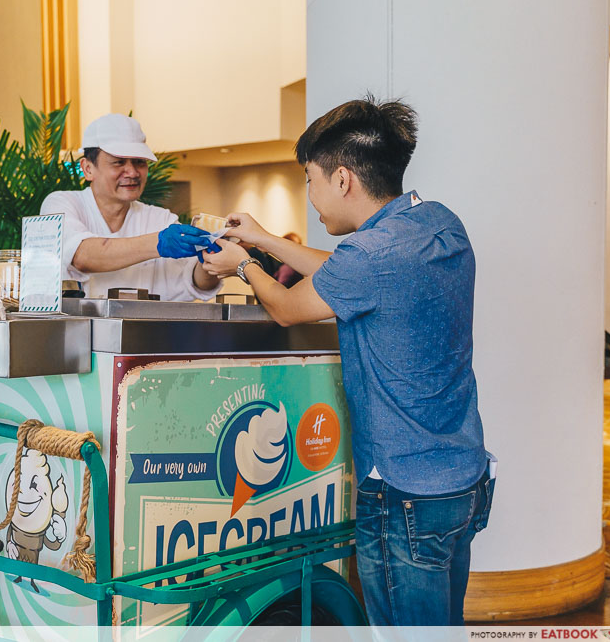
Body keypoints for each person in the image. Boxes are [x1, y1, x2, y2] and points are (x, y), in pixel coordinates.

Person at [201, 96, 493, 627]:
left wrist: (244, 263)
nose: (310, 197)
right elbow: (347, 270)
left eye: (309, 180)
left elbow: (289, 307)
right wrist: (264, 239)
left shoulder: (373, 257)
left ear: (341, 179)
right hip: (461, 478)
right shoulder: (437, 224)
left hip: (403, 493)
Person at [40, 113, 221, 301]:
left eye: (139, 162)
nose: (132, 172)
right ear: (88, 169)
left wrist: (209, 260)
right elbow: (82, 256)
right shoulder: (61, 204)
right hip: (76, 329)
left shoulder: (161, 219)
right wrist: (159, 243)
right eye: (118, 162)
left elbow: (192, 282)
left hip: (144, 329)